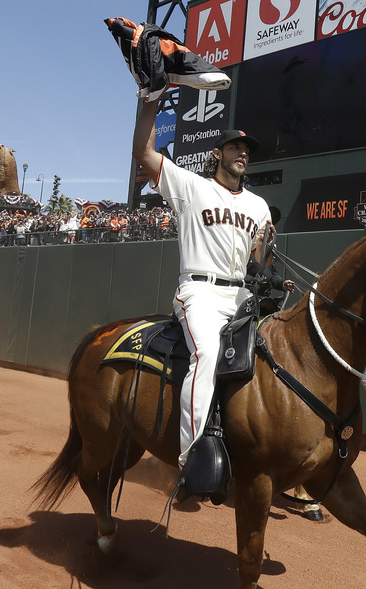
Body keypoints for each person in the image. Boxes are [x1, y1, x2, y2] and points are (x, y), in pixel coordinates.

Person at [132, 94, 272, 469]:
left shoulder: (259, 206)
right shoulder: (192, 186)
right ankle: (190, 459)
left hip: (240, 293)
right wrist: (149, 104)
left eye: (246, 149)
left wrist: (264, 256)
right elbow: (144, 154)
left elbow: (258, 259)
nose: (243, 153)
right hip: (200, 292)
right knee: (208, 354)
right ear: (217, 153)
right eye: (235, 147)